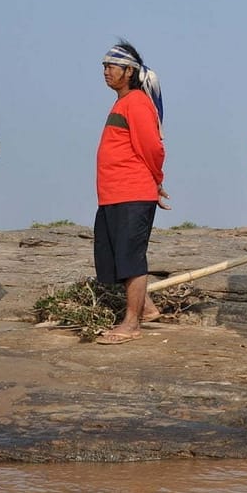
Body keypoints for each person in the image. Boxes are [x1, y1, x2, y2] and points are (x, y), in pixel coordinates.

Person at [94, 40, 169, 345]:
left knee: (131, 258)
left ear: (129, 71)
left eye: (111, 66)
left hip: (132, 193)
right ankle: (147, 308)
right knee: (112, 258)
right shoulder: (121, 102)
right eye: (104, 66)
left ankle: (131, 323)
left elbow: (152, 147)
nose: (105, 72)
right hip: (113, 195)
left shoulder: (137, 102)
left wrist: (157, 181)